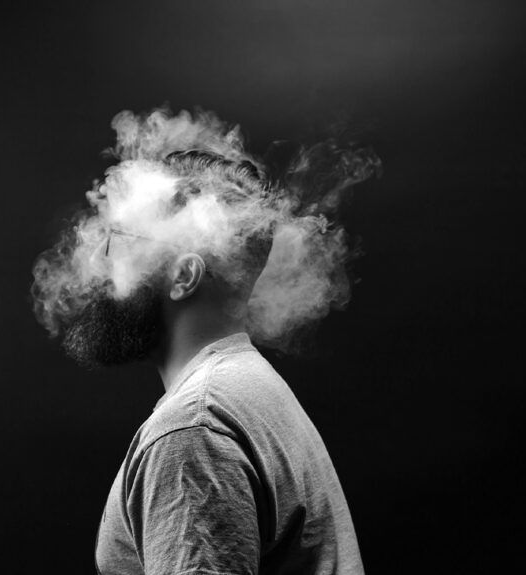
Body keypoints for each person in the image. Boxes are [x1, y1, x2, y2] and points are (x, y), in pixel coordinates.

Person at [32, 108, 371, 575]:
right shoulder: (248, 390)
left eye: (119, 240)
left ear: (184, 276)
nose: (97, 258)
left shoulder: (194, 430)